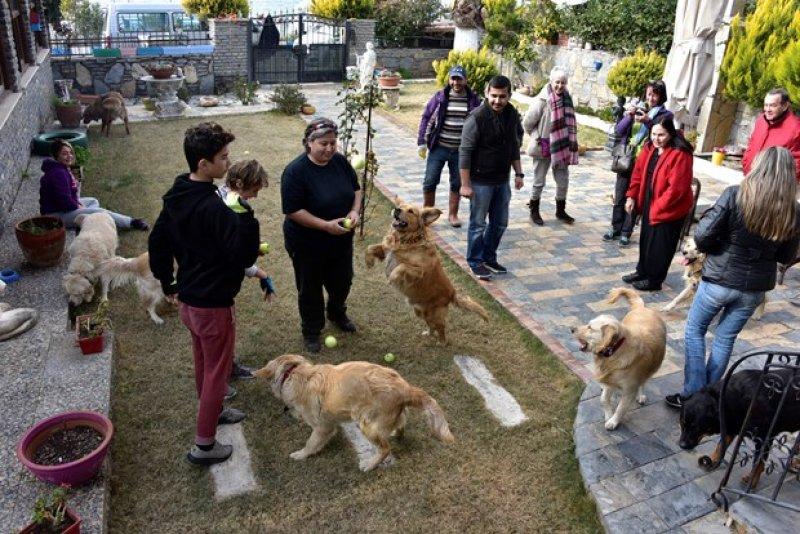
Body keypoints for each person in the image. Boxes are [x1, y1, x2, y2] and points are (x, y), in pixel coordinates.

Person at [148, 122, 260, 466]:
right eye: (223, 158)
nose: (228, 164)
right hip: (213, 305)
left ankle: (215, 412)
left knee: (204, 363)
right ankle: (204, 445)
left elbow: (157, 243)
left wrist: (169, 284)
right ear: (203, 164)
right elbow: (244, 256)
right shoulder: (217, 209)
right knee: (217, 372)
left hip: (190, 301)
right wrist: (248, 219)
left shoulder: (179, 194)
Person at [666, 147, 800, 409]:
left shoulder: (735, 194)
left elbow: (703, 237)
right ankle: (709, 399)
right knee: (724, 339)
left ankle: (693, 394)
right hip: (753, 289)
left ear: (758, 166)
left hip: (719, 280)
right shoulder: (793, 211)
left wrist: (722, 248)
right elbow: (785, 256)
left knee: (695, 330)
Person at [281, 118, 362, 352]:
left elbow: (356, 189)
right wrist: (325, 225)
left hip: (340, 241)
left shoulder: (339, 162)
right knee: (310, 287)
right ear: (309, 142)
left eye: (333, 143)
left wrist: (354, 211)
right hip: (307, 243)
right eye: (323, 143)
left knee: (342, 281)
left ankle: (336, 313)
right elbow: (293, 211)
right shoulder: (295, 172)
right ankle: (312, 329)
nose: (329, 149)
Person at [217, 159, 276, 389]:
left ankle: (228, 368)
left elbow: (237, 254)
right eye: (254, 190)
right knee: (220, 335)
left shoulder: (231, 203)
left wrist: (258, 272)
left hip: (224, 283)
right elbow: (232, 255)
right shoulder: (226, 210)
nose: (256, 196)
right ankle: (219, 382)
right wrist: (251, 256)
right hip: (217, 288)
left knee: (226, 331)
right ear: (239, 183)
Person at [459, 75, 524, 281]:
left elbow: (513, 145)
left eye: (502, 96)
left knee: (500, 223)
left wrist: (519, 173)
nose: (498, 100)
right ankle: (475, 261)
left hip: (502, 180)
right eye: (494, 96)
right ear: (487, 93)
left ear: (509, 96)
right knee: (478, 224)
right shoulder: (476, 117)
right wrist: (465, 185)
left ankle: (489, 257)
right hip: (479, 182)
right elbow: (465, 152)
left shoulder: (512, 113)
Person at [622, 116, 694, 291]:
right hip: (649, 200)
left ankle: (654, 280)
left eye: (661, 135)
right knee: (647, 239)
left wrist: (658, 207)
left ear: (670, 133)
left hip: (670, 207)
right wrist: (632, 195)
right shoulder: (649, 148)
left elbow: (676, 189)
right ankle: (642, 271)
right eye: (653, 134)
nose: (656, 138)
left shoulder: (680, 154)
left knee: (661, 245)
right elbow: (638, 173)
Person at [604, 80, 673, 246]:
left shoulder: (665, 115)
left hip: (646, 161)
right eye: (649, 94)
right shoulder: (638, 107)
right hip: (627, 158)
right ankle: (616, 227)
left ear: (661, 96)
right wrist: (629, 115)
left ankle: (627, 231)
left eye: (655, 94)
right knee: (620, 194)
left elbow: (661, 134)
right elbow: (619, 130)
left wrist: (648, 121)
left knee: (635, 196)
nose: (651, 98)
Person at [417, 65, 481, 227]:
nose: (456, 82)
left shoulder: (473, 99)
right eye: (453, 78)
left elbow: (480, 123)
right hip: (439, 147)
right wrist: (421, 142)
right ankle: (427, 215)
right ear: (449, 79)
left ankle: (453, 215)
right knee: (430, 181)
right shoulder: (440, 97)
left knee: (457, 183)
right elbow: (426, 117)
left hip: (461, 151)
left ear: (465, 80)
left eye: (459, 79)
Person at [39, 139, 148, 231]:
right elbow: (65, 202)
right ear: (56, 156)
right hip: (55, 216)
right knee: (98, 211)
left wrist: (77, 204)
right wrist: (77, 206)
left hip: (62, 208)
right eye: (64, 153)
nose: (69, 156)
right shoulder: (58, 173)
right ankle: (132, 222)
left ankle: (93, 223)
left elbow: (68, 197)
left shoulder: (60, 168)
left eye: (70, 152)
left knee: (93, 201)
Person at [523, 67, 579, 226]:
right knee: (539, 180)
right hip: (544, 146)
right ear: (551, 81)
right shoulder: (542, 100)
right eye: (557, 82)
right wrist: (537, 138)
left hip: (561, 147)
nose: (560, 86)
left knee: (563, 181)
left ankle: (560, 211)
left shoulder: (567, 99)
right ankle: (534, 210)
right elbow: (527, 123)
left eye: (563, 82)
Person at [742, 88, 800, 181]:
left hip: (772, 188)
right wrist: (745, 163)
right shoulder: (761, 120)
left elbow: (797, 163)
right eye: (766, 105)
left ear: (785, 106)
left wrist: (779, 183)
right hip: (749, 179)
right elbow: (752, 142)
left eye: (773, 105)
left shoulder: (796, 128)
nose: (767, 109)